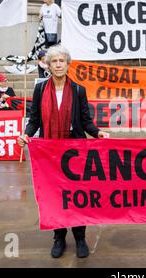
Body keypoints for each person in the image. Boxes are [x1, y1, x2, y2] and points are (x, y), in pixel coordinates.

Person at [17, 45, 110, 259]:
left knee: (78, 194)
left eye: (62, 61)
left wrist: (97, 133)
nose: (58, 64)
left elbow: (86, 121)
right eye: (54, 61)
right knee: (55, 195)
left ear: (68, 64)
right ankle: (58, 237)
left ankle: (80, 237)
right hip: (50, 153)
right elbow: (35, 120)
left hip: (75, 152)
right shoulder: (40, 89)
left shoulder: (78, 90)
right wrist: (25, 134)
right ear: (48, 66)